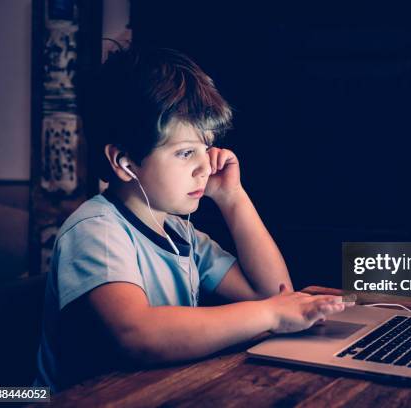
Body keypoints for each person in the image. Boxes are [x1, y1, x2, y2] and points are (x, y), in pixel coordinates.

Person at [34, 47, 353, 392]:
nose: (206, 166)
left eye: (207, 148)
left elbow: (271, 292)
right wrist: (270, 315)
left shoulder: (180, 232)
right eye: (186, 153)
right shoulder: (97, 230)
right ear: (124, 162)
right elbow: (136, 333)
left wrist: (233, 198)